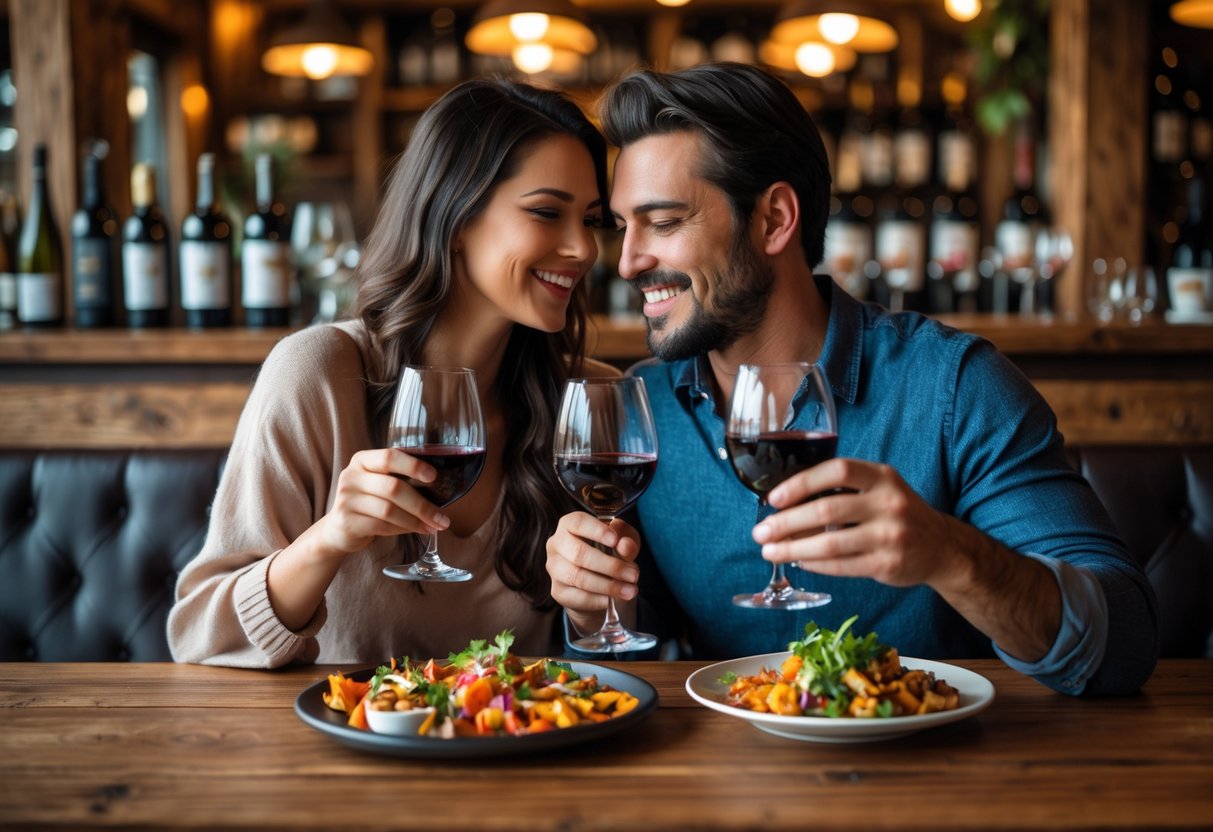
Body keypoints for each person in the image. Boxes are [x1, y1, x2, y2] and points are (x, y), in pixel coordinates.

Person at [545, 63, 1158, 695]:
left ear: (775, 219)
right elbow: (638, 659)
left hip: (944, 775)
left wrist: (951, 556)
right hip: (722, 782)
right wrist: (594, 606)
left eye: (665, 223)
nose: (627, 261)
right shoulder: (646, 413)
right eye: (622, 227)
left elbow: (1126, 641)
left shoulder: (954, 388)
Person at [169, 78, 613, 667]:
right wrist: (330, 538)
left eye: (591, 220)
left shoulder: (583, 399)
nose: (583, 248)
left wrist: (591, 609)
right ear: (455, 217)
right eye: (547, 212)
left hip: (521, 745)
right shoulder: (318, 375)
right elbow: (200, 634)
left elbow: (619, 654)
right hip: (338, 745)